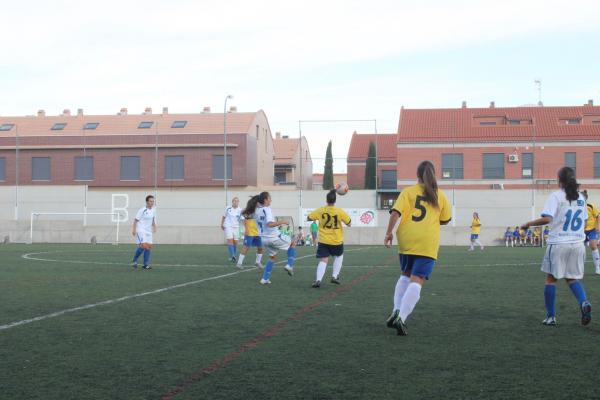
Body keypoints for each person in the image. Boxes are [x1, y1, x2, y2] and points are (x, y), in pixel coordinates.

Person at [384, 161, 451, 336]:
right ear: (433, 174)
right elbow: (445, 219)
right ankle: (402, 318)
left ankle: (396, 310)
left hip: (406, 239)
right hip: (427, 242)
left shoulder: (408, 192)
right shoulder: (439, 195)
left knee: (405, 275)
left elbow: (395, 213)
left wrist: (388, 233)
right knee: (417, 280)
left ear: (417, 175)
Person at [520, 166, 591, 327]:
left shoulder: (556, 196)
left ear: (560, 180)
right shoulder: (581, 197)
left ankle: (551, 317)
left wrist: (528, 224)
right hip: (578, 244)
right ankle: (584, 302)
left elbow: (547, 219)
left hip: (559, 243)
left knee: (551, 279)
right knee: (572, 278)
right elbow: (585, 221)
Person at [307, 189, 351, 288]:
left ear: (326, 200)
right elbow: (349, 223)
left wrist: (317, 218)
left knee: (323, 259)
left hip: (323, 241)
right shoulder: (339, 211)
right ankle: (334, 276)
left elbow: (309, 218)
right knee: (339, 256)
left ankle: (318, 280)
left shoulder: (321, 210)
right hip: (336, 240)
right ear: (335, 201)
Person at [255, 192, 296, 285]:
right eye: (269, 198)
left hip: (264, 239)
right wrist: (282, 221)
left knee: (272, 257)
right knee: (293, 243)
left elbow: (247, 215)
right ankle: (289, 265)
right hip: (273, 237)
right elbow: (269, 224)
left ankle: (265, 278)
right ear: (265, 200)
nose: (271, 200)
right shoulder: (267, 209)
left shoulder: (257, 210)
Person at [236, 196, 264, 269]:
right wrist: (247, 229)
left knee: (260, 247)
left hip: (257, 232)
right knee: (246, 247)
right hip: (250, 232)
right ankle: (239, 263)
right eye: (258, 202)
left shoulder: (260, 209)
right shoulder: (247, 211)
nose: (260, 204)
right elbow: (244, 219)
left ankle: (257, 262)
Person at [131, 195, 157, 270]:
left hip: (148, 231)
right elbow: (136, 220)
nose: (152, 203)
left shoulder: (153, 210)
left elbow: (153, 219)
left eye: (153, 201)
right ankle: (134, 260)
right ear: (147, 202)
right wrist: (134, 229)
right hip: (141, 229)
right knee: (143, 246)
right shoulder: (142, 210)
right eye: (150, 201)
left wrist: (154, 226)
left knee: (148, 247)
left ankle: (145, 264)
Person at [582, 190, 600, 274]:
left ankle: (597, 267)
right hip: (581, 231)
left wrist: (598, 226)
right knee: (580, 249)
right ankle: (580, 268)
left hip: (592, 230)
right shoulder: (577, 207)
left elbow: (598, 216)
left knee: (593, 246)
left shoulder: (590, 206)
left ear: (586, 198)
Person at [221, 197, 241, 263]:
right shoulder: (228, 208)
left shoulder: (240, 210)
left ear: (238, 202)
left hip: (236, 227)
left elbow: (243, 219)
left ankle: (233, 256)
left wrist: (246, 228)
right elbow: (224, 216)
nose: (236, 202)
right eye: (234, 201)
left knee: (235, 242)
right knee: (230, 240)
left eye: (237, 201)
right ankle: (233, 255)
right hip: (228, 226)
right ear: (232, 202)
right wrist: (222, 224)